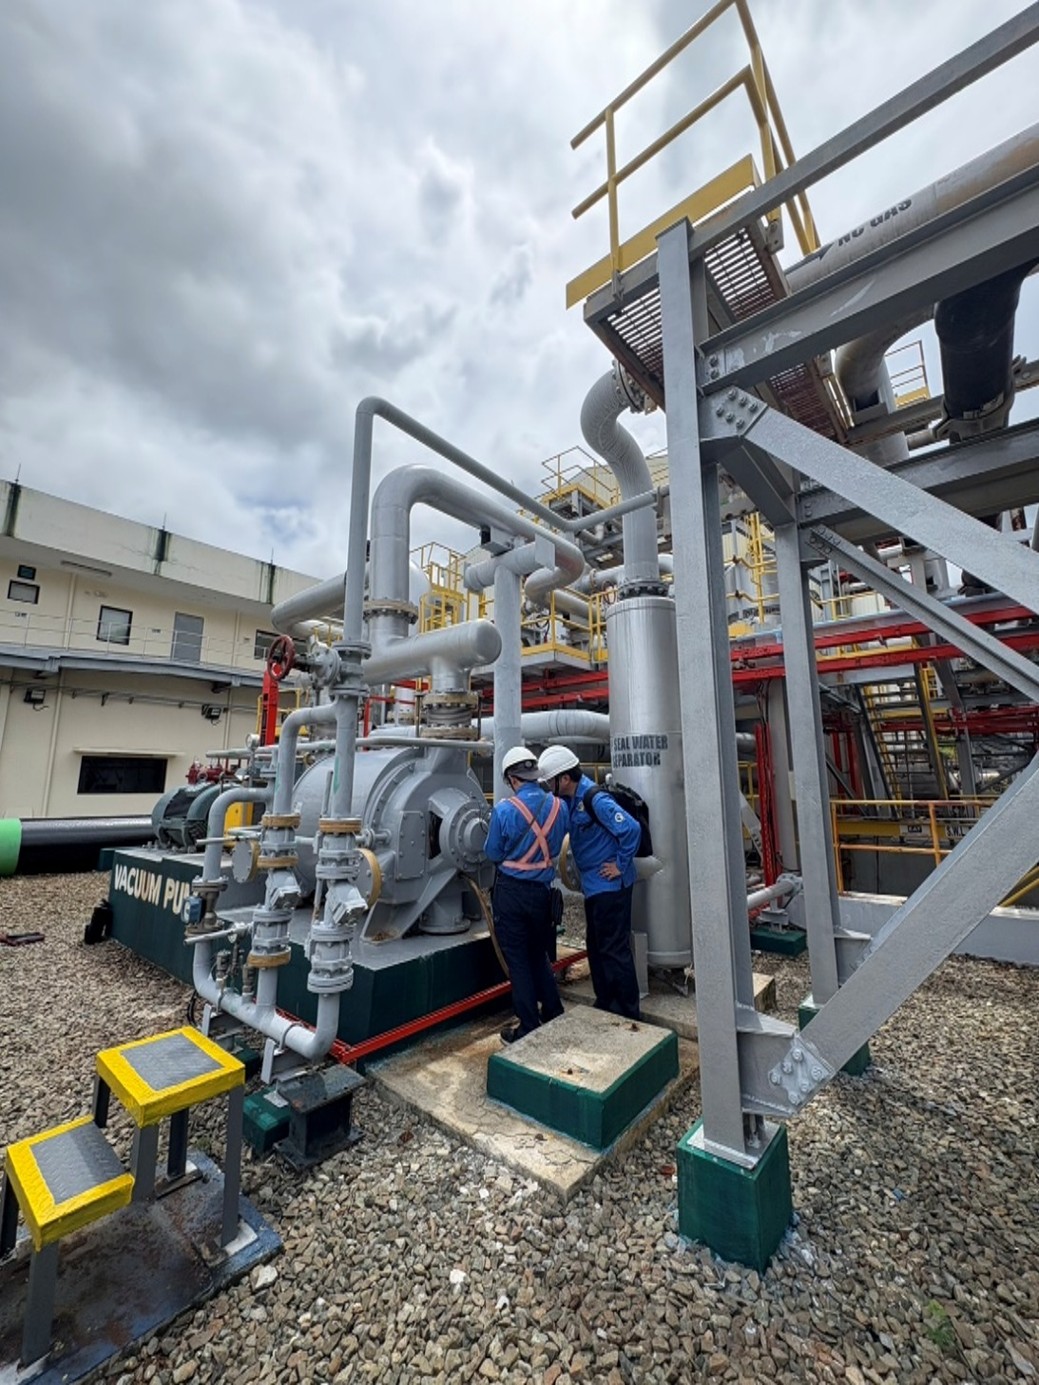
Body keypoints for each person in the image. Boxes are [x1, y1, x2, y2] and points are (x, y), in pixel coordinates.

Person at [537, 744, 641, 1022]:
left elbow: (631, 829)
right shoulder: (571, 800)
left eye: (550, 781)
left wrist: (619, 865)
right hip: (594, 888)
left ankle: (627, 1011)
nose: (548, 786)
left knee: (614, 950)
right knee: (596, 947)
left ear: (565, 779)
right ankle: (606, 1002)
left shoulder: (594, 799)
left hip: (610, 888)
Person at [484, 745, 567, 1044]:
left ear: (511, 779)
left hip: (512, 894)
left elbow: (492, 852)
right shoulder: (559, 807)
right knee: (538, 954)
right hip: (543, 894)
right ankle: (554, 1010)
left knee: (518, 960)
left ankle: (528, 1024)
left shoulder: (504, 810)